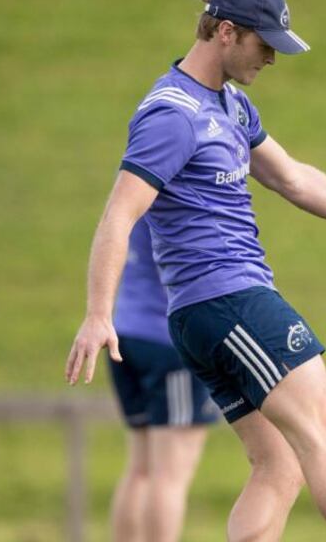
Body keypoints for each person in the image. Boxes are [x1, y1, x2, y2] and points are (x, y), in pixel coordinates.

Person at [65, 0, 326, 542]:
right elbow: (118, 215)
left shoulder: (231, 104)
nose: (271, 58)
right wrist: (99, 313)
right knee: (323, 433)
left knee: (281, 463)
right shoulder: (172, 113)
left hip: (209, 312)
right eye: (264, 44)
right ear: (225, 32)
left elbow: (292, 178)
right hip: (229, 300)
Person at [106, 216, 219, 542]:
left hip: (126, 332)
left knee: (140, 468)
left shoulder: (133, 189)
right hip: (168, 342)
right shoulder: (181, 193)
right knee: (170, 474)